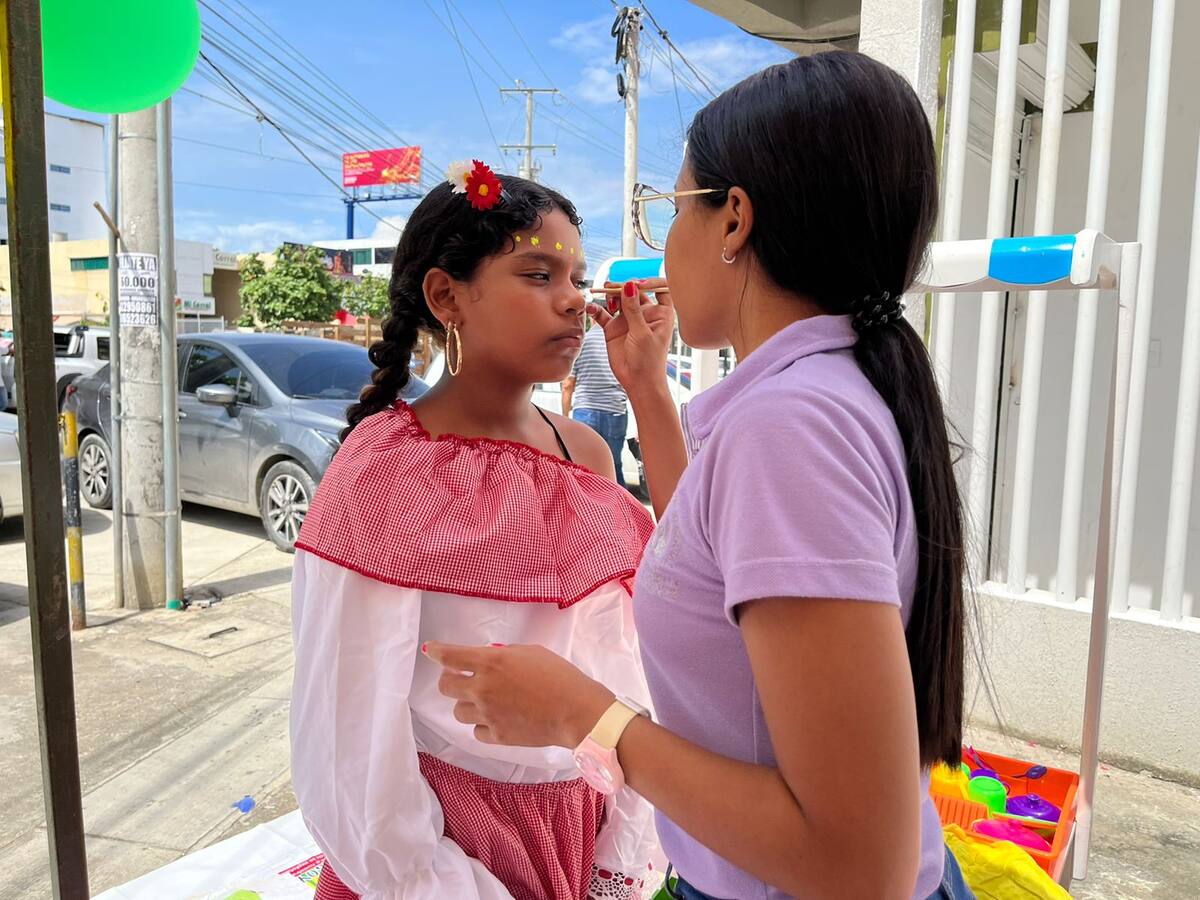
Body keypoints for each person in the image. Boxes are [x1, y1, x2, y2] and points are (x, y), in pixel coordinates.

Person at [425, 52, 973, 900]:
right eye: (540, 276)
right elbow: (721, 568)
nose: (575, 299)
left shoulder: (790, 426)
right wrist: (648, 388)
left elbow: (859, 866)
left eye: (666, 209)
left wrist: (585, 715)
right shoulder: (819, 396)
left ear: (733, 221)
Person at [289, 164, 661, 900]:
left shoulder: (582, 453)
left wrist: (621, 843)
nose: (574, 301)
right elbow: (351, 727)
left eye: (578, 276)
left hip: (575, 831)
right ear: (446, 295)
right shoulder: (384, 466)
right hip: (434, 844)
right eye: (537, 273)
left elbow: (629, 656)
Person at [562, 320, 630, 490]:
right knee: (613, 466)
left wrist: (564, 417)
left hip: (585, 409)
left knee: (582, 468)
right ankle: (620, 511)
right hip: (615, 409)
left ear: (592, 317)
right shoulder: (621, 339)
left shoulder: (581, 341)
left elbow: (568, 384)